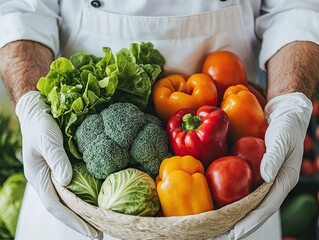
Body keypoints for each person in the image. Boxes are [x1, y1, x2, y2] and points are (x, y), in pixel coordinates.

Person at [0, 1, 319, 239]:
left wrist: (291, 99)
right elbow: (21, 11)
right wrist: (30, 103)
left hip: (235, 199)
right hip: (76, 206)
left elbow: (296, 8)